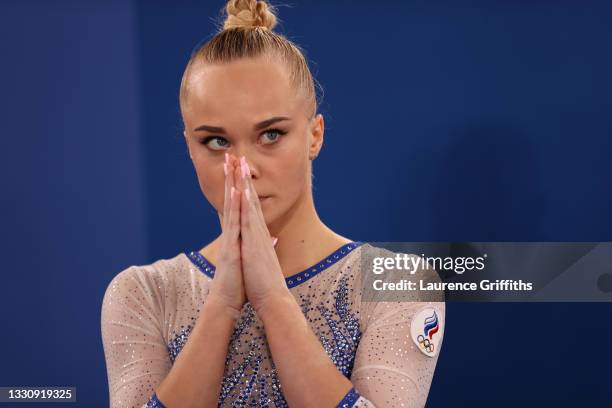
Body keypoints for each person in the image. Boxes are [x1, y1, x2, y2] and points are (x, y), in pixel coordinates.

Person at [100, 1, 445, 407]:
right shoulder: (145, 293)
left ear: (314, 135)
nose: (243, 168)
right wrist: (222, 305)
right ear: (189, 149)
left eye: (270, 135)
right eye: (216, 141)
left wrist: (273, 300)